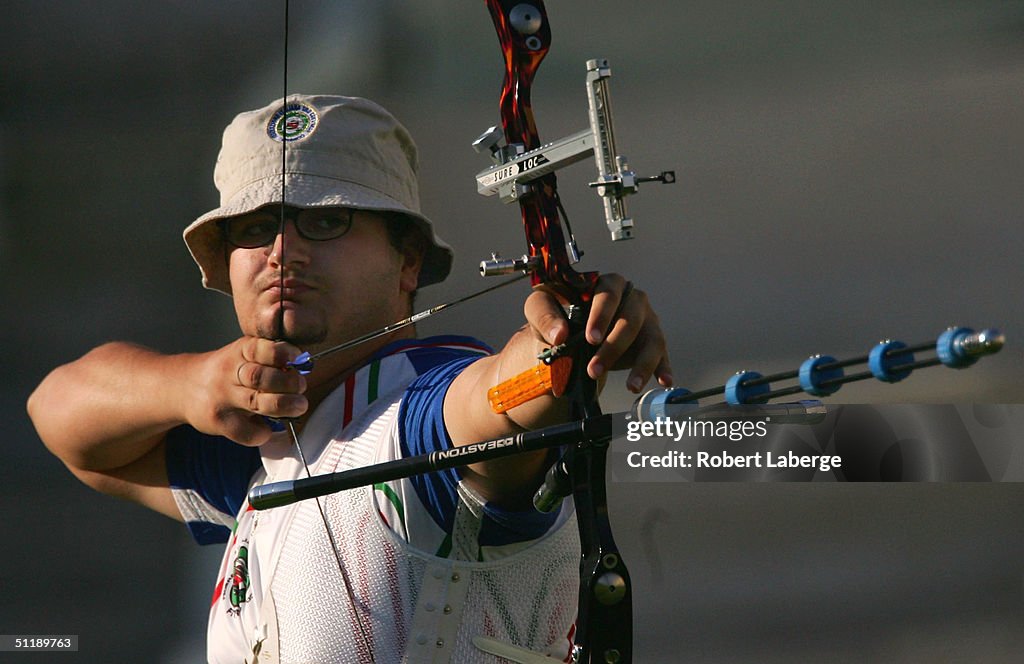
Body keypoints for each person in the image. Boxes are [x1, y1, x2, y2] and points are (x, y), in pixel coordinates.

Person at [27, 94, 671, 663]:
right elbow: (59, 413)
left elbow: (500, 402)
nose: (284, 250)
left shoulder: (420, 417)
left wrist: (564, 342)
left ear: (407, 261)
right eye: (256, 229)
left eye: (326, 221)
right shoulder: (265, 451)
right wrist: (192, 383)